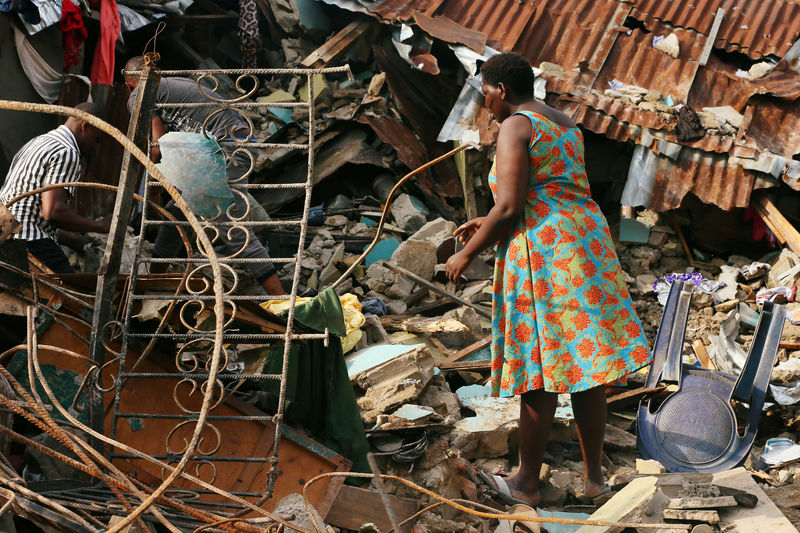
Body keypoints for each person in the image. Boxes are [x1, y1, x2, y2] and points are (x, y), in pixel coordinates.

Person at [445, 53, 651, 506]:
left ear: (500, 89)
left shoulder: (516, 126)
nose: (485, 101)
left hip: (546, 255)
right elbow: (549, 190)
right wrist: (487, 219)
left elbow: (513, 208)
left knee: (540, 368)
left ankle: (526, 483)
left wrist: (467, 251)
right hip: (585, 244)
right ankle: (595, 479)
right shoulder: (566, 124)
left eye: (485, 92)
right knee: (586, 363)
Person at [123, 56, 285, 295]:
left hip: (225, 149)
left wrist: (151, 184)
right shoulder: (169, 84)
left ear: (129, 84)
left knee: (231, 227)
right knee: (176, 217)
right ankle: (150, 286)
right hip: (234, 143)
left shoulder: (138, 95)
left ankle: (281, 300)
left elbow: (157, 144)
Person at [0, 102, 110, 273]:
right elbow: (53, 212)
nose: (95, 148)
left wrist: (73, 240)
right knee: (74, 294)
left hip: (6, 233)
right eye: (97, 140)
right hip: (27, 242)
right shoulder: (67, 152)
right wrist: (100, 227)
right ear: (85, 126)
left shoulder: (38, 141)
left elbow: (29, 211)